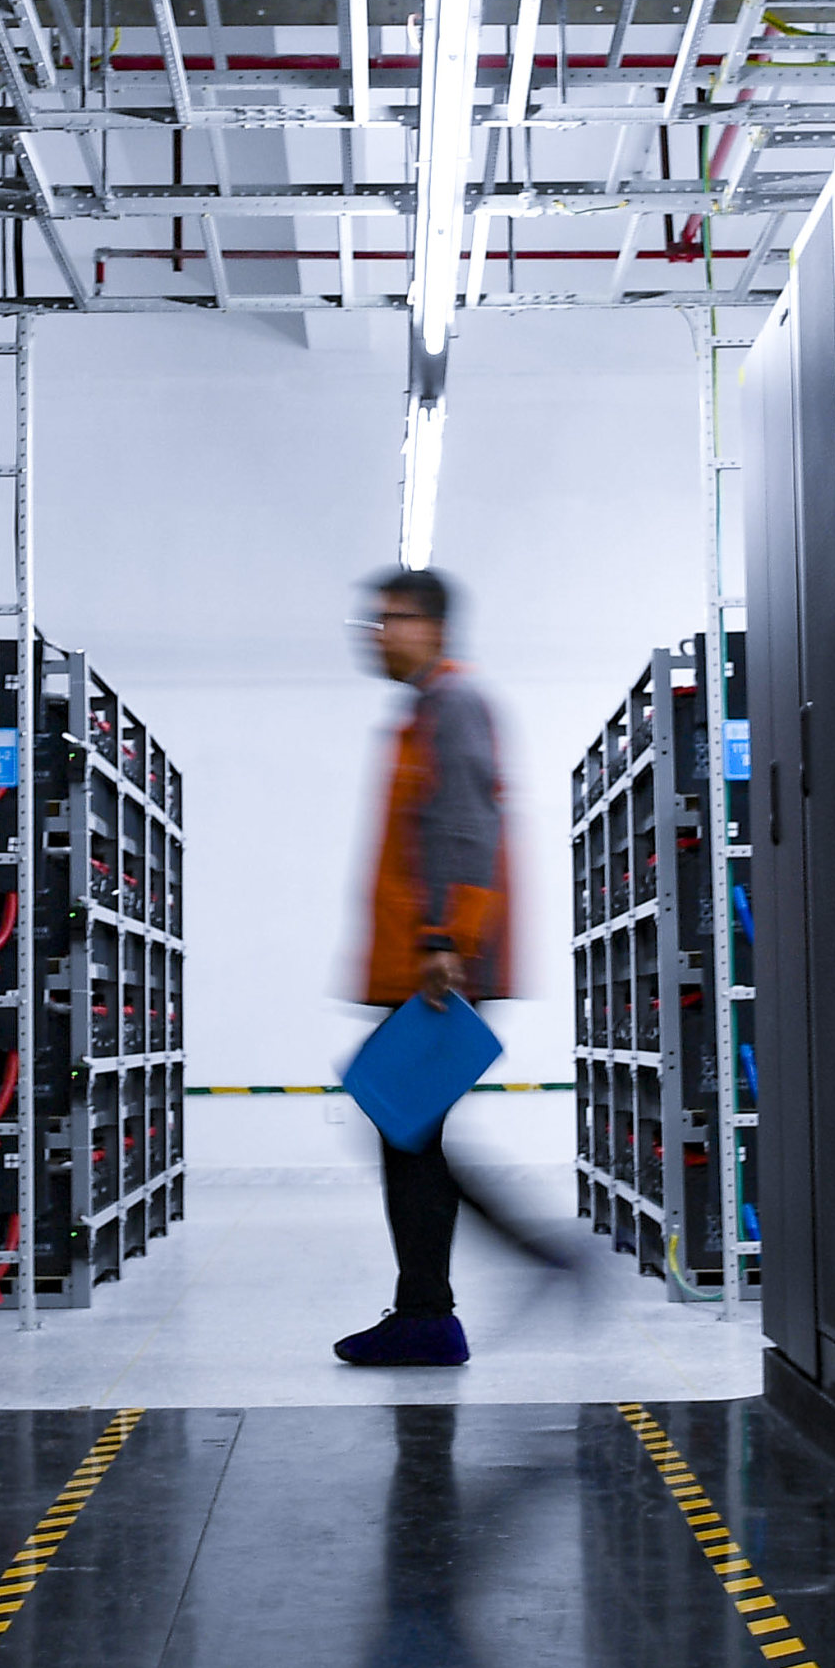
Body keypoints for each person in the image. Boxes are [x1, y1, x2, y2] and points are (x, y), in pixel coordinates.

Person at [334, 567, 556, 1365]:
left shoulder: (454, 705)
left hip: (433, 963)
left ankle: (461, 1297)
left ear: (431, 626)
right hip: (413, 959)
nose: (376, 632)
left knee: (406, 1125)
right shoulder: (420, 711)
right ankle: (429, 1309)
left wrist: (447, 940)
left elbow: (466, 820)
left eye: (389, 617)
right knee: (406, 1127)